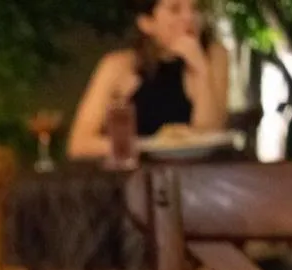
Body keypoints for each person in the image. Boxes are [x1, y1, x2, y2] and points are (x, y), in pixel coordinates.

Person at [68, 0, 228, 159]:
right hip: (135, 170)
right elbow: (79, 144)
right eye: (175, 9)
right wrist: (150, 145)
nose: (189, 17)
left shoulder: (214, 56)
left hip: (198, 170)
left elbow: (211, 133)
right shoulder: (119, 66)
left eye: (195, 9)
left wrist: (201, 69)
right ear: (147, 23)